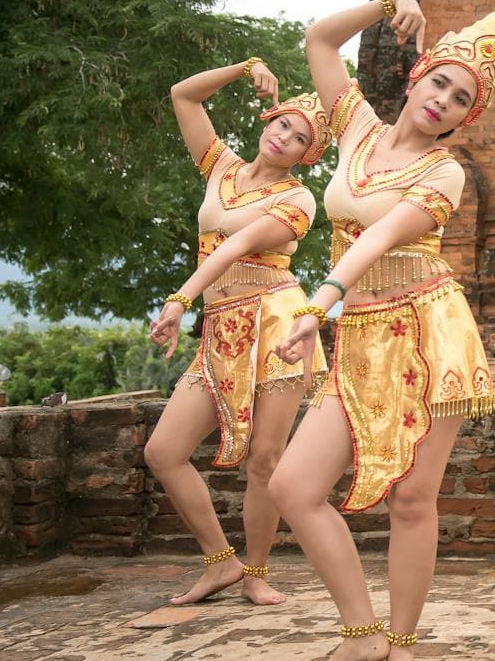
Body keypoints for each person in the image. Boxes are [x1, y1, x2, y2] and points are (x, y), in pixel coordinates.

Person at [266, 0, 495, 658]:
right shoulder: (358, 130)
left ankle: (401, 641)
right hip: (362, 335)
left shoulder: (444, 172)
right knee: (293, 486)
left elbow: (377, 238)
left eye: (460, 98)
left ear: (467, 116)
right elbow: (317, 39)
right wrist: (385, 5)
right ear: (416, 74)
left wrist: (320, 303)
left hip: (428, 334)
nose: (443, 100)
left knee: (412, 498)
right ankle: (361, 630)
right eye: (439, 82)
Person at [145, 58, 329, 606]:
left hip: (276, 326)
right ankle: (219, 563)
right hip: (222, 330)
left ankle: (256, 572)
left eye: (300, 138)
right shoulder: (220, 168)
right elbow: (182, 93)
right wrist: (245, 67)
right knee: (163, 451)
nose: (285, 138)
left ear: (306, 155)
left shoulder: (298, 200)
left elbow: (235, 246)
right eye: (282, 124)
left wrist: (180, 299)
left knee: (265, 461)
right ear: (266, 122)